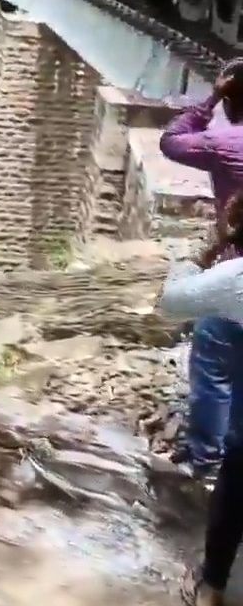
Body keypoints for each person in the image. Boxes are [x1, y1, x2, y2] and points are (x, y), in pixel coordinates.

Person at [160, 58, 243, 477]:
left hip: (235, 275)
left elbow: (172, 142)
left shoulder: (222, 144)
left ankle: (208, 460)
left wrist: (210, 97)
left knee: (213, 360)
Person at [159, 192, 243, 606]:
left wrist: (199, 254)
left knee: (239, 469)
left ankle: (212, 587)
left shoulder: (236, 279)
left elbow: (171, 304)